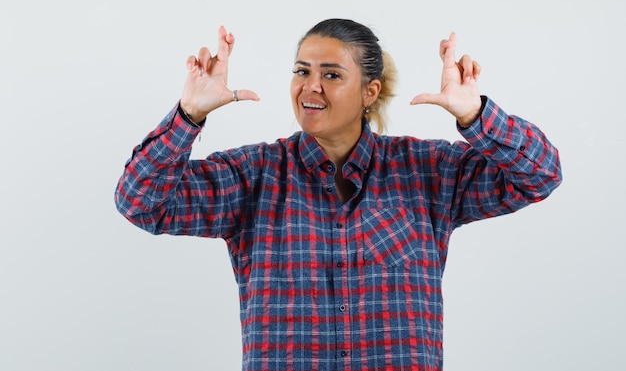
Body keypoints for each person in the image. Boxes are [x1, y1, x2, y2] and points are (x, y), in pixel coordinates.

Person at [115, 18, 562, 371]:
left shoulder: (429, 172)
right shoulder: (252, 176)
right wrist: (188, 116)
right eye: (302, 71)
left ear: (370, 92)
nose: (311, 86)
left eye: (331, 74)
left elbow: (540, 175)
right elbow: (140, 203)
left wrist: (476, 115)